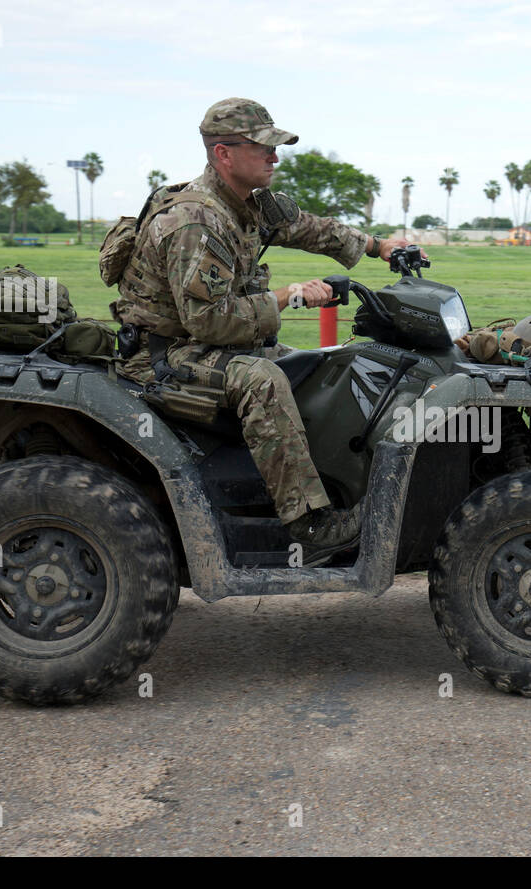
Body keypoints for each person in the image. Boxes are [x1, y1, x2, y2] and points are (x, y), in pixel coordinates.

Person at [110, 98, 411, 563]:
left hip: (208, 344)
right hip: (166, 356)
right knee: (263, 380)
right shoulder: (197, 220)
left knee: (324, 365)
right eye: (263, 147)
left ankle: (337, 482)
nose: (275, 157)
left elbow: (307, 228)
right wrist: (288, 296)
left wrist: (378, 246)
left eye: (275, 147)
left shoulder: (246, 203)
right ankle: (309, 523)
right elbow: (209, 321)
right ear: (223, 154)